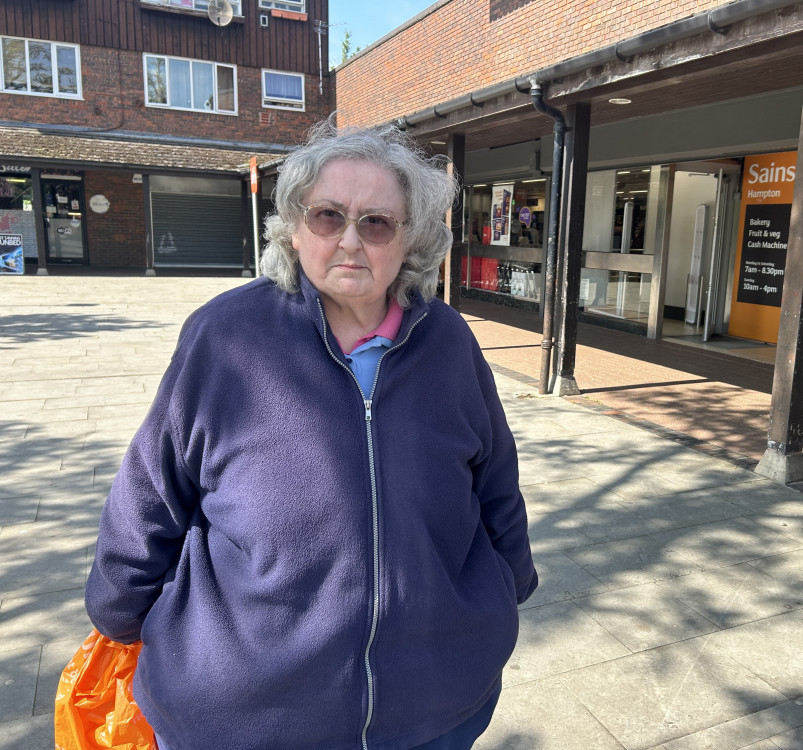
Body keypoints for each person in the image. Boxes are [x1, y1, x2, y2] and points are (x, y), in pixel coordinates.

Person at [85, 120, 538, 750]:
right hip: (245, 714)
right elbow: (151, 489)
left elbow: (495, 482)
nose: (351, 240)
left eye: (377, 222)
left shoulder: (449, 342)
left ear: (409, 241)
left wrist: (507, 588)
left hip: (434, 704)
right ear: (295, 230)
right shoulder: (228, 335)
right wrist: (120, 611)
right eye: (329, 216)